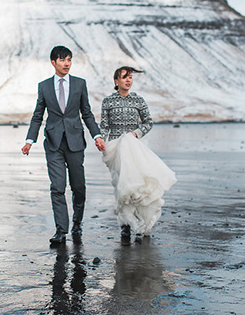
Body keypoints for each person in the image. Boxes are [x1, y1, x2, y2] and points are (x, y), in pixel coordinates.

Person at [22, 45, 105, 245]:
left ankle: (77, 222)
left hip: (75, 142)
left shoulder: (79, 84)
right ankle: (61, 230)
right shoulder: (44, 86)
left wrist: (97, 136)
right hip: (53, 143)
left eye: (69, 59)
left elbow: (86, 113)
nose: (66, 63)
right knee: (57, 187)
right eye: (62, 60)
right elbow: (38, 115)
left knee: (78, 187)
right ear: (53, 62)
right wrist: (29, 140)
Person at [99, 66, 176, 241]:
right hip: (115, 150)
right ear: (116, 81)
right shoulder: (108, 102)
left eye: (130, 77)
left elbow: (148, 122)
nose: (128, 80)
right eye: (124, 77)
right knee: (121, 185)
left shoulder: (138, 100)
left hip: (135, 148)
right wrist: (101, 140)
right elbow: (104, 126)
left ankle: (142, 222)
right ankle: (125, 225)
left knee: (139, 185)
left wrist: (136, 133)